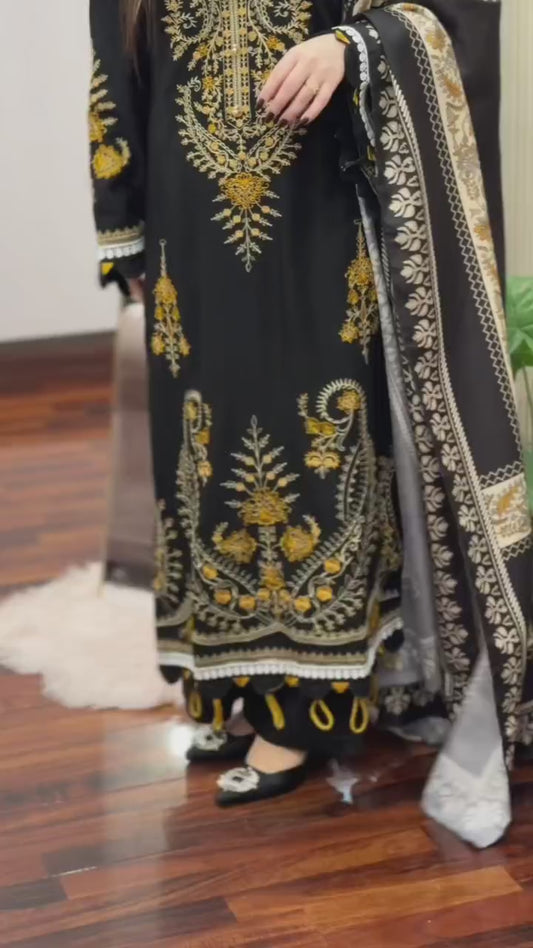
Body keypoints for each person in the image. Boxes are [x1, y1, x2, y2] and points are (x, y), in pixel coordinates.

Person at [89, 0, 533, 843]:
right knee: (203, 450)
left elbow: (453, 13)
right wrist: (123, 221)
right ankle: (235, 684)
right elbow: (115, 60)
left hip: (321, 221)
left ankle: (305, 710)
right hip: (188, 238)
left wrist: (353, 45)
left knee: (315, 444)